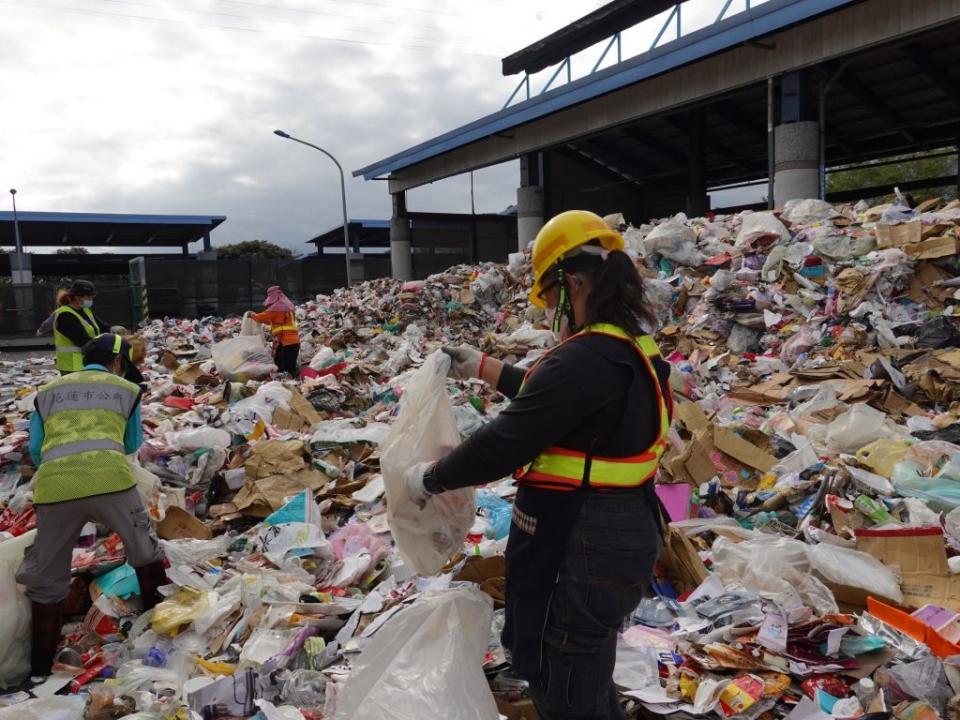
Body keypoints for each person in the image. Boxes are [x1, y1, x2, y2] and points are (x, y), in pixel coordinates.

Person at [404, 210, 673, 720]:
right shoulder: (633, 350)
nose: (551, 311)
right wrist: (486, 369)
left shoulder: (586, 357)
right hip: (623, 532)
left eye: (550, 298)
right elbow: (566, 401)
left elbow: (505, 441)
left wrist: (429, 479)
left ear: (572, 282)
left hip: (582, 543)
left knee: (564, 680)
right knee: (589, 673)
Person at [17, 333, 167, 677]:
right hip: (111, 480)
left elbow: (38, 448)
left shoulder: (47, 392)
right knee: (145, 551)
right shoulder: (126, 390)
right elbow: (132, 443)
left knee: (46, 576)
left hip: (55, 486)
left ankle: (38, 668)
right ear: (117, 362)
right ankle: (161, 637)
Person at [52, 280, 108, 374]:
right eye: (88, 297)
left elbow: (102, 327)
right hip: (72, 366)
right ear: (77, 297)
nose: (91, 300)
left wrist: (115, 332)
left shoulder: (86, 310)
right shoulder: (65, 315)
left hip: (87, 362)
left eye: (92, 297)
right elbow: (82, 340)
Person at [249, 286, 300, 376]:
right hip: (295, 342)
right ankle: (295, 385)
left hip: (285, 342)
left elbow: (261, 317)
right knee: (291, 368)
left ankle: (285, 385)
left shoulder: (276, 308)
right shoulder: (288, 308)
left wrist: (251, 315)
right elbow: (270, 321)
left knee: (282, 367)